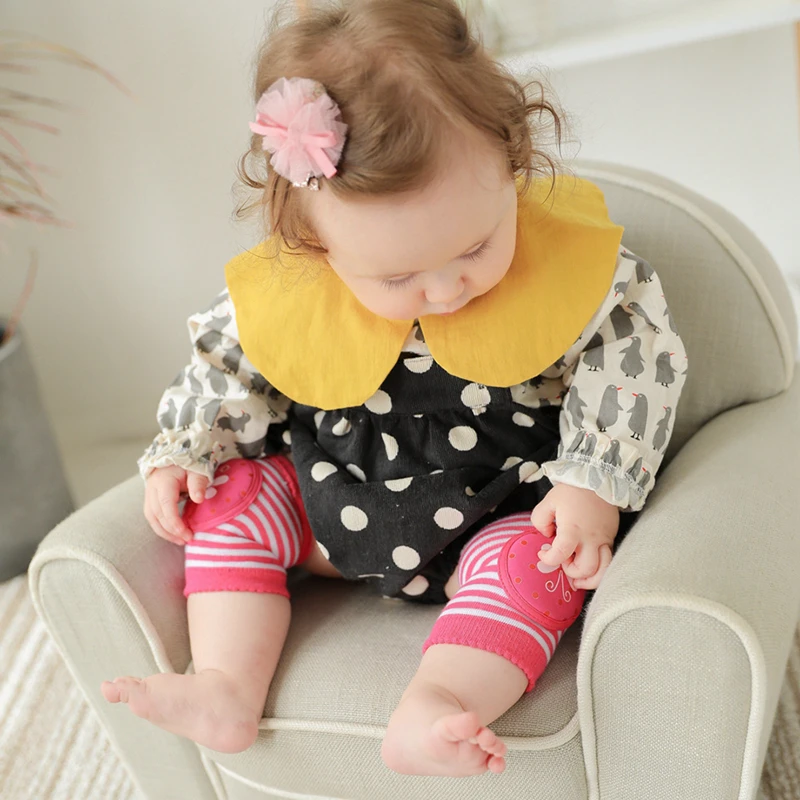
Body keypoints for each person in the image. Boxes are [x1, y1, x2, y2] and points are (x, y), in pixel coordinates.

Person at [101, 0, 687, 777]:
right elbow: (224, 369)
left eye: (475, 248)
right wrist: (188, 451)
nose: (445, 290)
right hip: (329, 509)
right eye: (398, 277)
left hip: (496, 512)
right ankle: (225, 685)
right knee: (230, 501)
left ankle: (440, 700)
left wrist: (591, 484)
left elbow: (631, 362)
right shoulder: (294, 285)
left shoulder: (579, 278)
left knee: (544, 563)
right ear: (315, 243)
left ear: (512, 162)